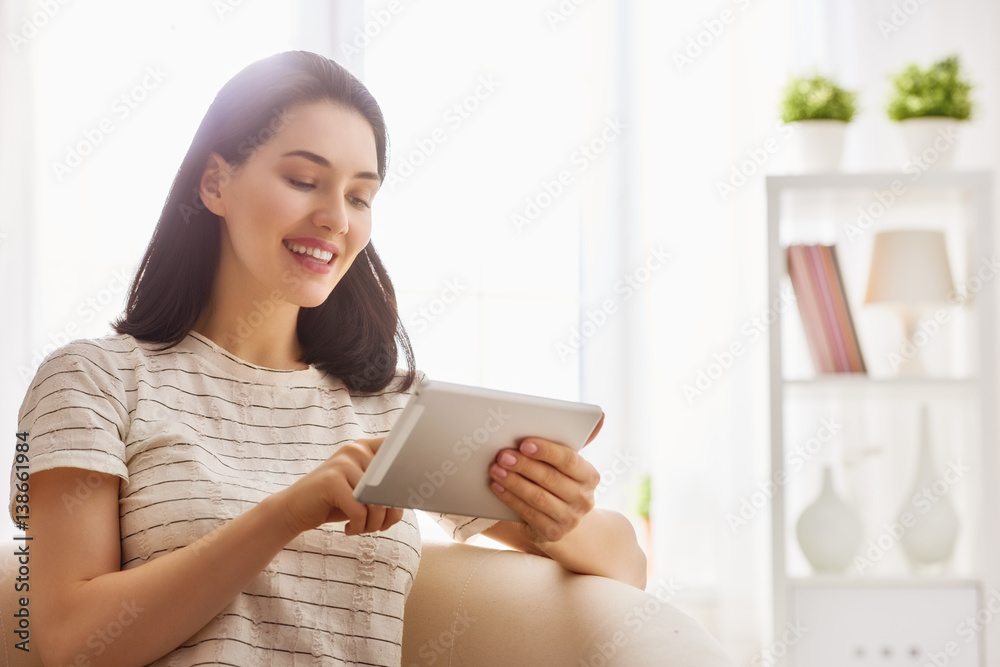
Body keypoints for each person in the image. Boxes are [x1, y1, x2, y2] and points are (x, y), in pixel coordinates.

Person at [11, 50, 646, 666]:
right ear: (215, 183)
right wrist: (287, 513)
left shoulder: (391, 404)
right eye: (303, 180)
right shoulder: (92, 381)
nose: (335, 218)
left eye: (360, 196)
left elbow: (626, 566)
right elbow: (69, 644)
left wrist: (557, 515)